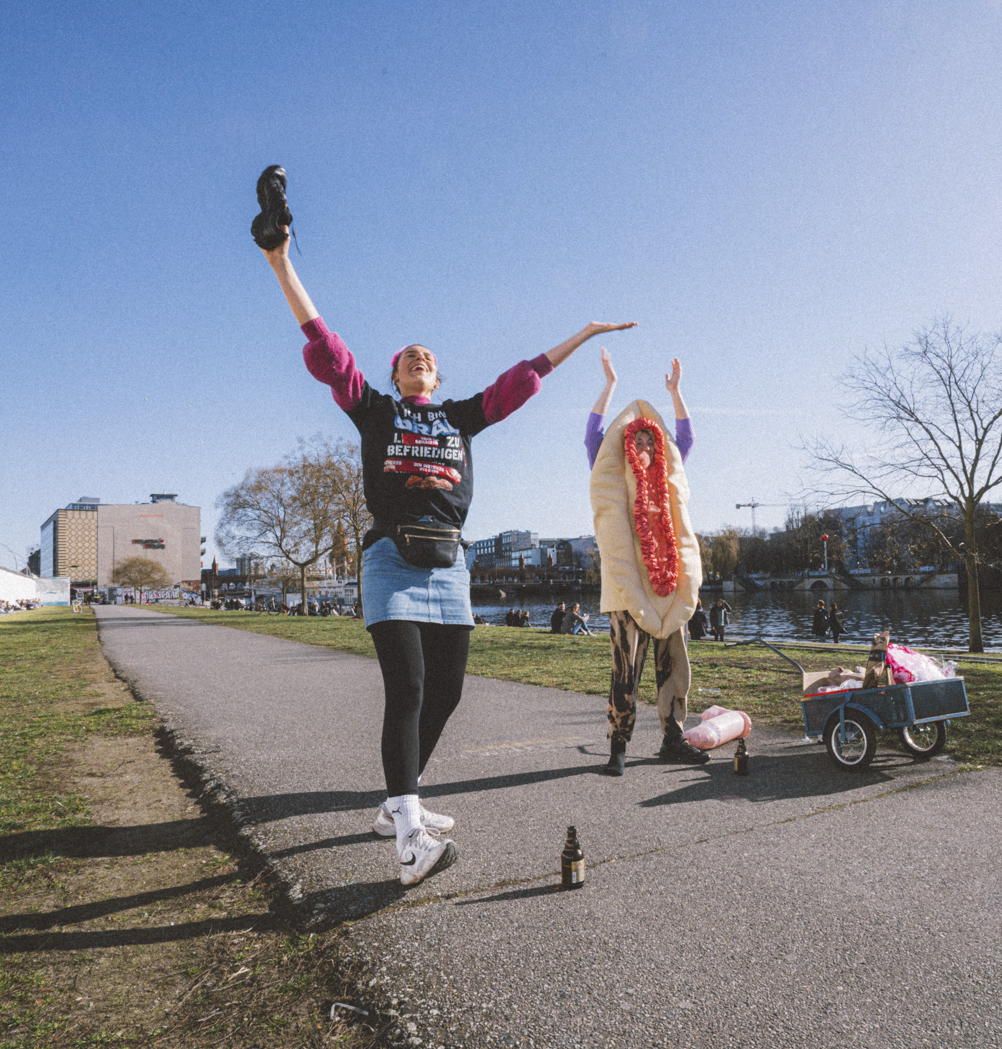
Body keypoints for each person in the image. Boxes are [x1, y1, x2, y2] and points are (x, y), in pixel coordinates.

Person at [259, 184, 634, 885]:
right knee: (407, 689)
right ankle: (408, 837)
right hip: (391, 562)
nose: (418, 360)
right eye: (407, 357)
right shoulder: (374, 411)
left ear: (439, 375)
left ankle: (398, 801)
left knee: (448, 693)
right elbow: (327, 348)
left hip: (450, 567)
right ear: (396, 373)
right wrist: (282, 264)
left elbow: (520, 381)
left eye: (427, 357)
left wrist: (581, 337)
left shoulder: (460, 417)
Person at [585, 347, 707, 776]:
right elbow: (592, 437)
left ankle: (673, 738)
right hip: (626, 587)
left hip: (668, 584)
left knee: (675, 665)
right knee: (626, 669)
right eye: (633, 441)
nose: (641, 447)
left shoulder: (667, 478)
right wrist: (609, 386)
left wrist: (675, 393)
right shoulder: (615, 476)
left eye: (647, 441)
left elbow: (685, 438)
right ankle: (618, 744)